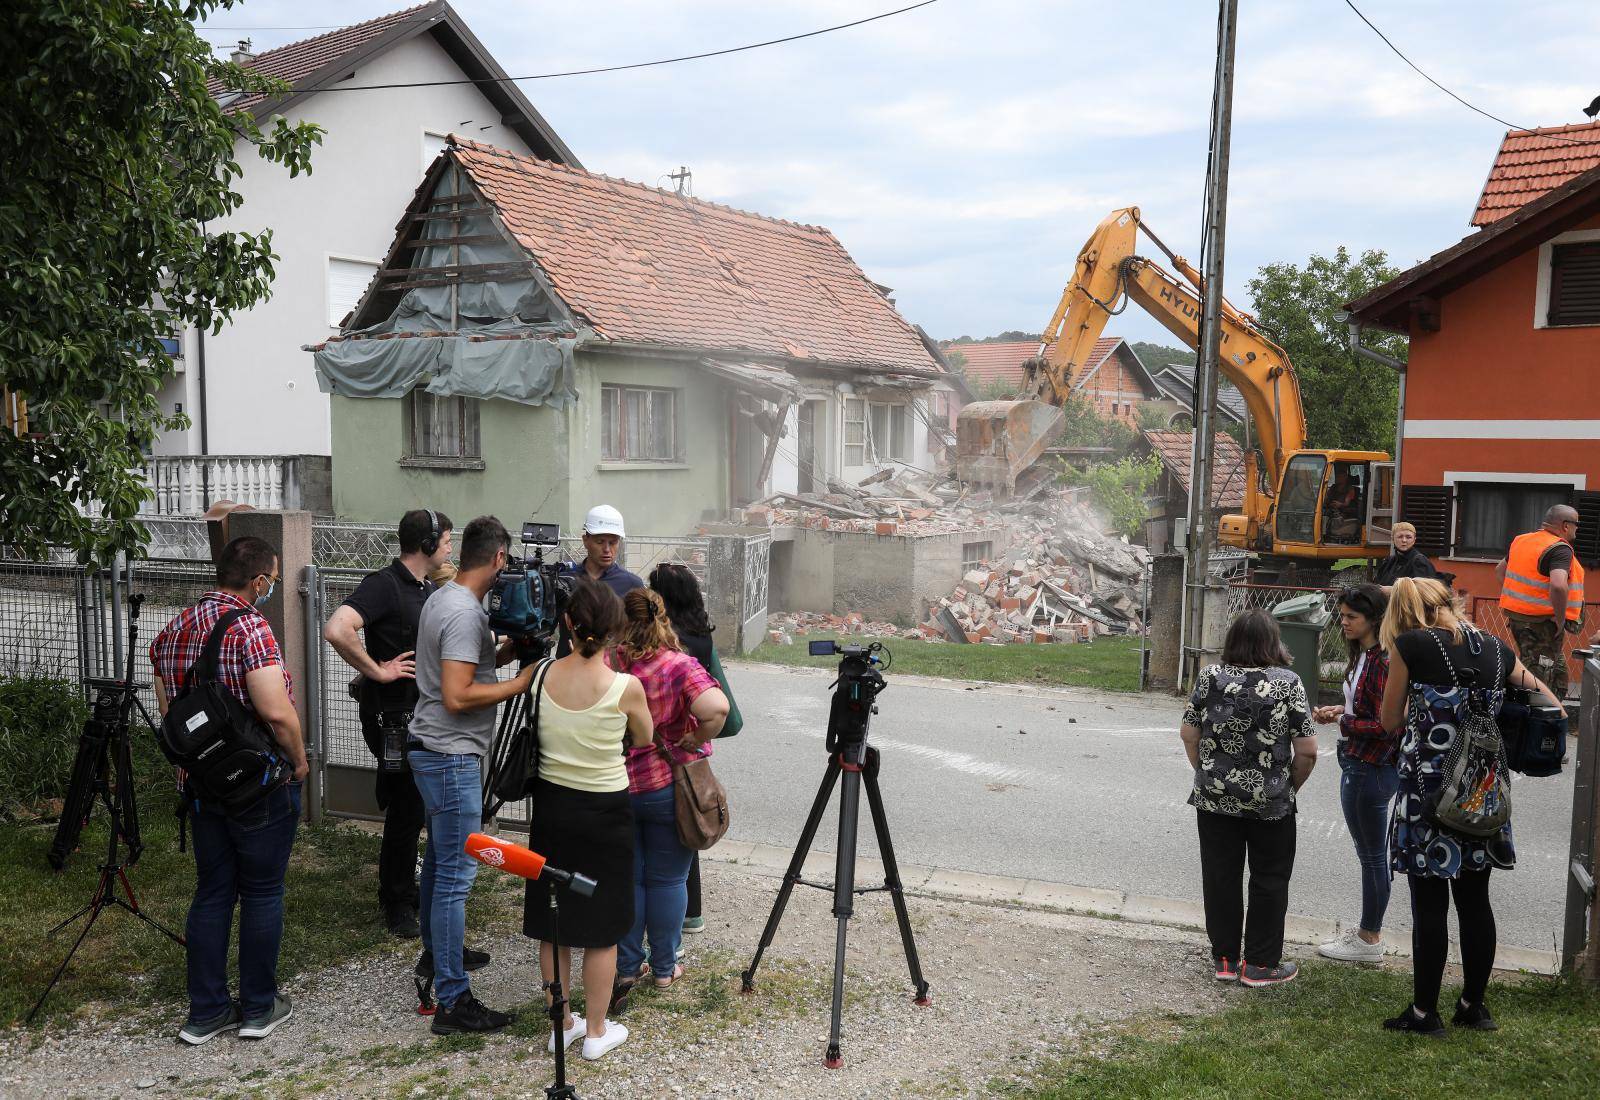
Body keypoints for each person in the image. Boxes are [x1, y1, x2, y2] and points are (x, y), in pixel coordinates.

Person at [1378, 577, 1563, 1035]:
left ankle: (1424, 1014)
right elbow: (1552, 705)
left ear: (1404, 610)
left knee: (1429, 903)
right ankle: (1473, 1006)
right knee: (1475, 900)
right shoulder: (1498, 649)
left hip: (1429, 790)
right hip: (1483, 788)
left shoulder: (1412, 645)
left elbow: (1389, 720)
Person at [150, 536, 310, 1045]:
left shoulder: (174, 628)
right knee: (262, 891)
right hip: (257, 784)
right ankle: (260, 1007)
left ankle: (206, 1011)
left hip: (202, 786)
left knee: (213, 892)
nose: (272, 588)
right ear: (259, 580)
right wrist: (300, 762)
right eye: (273, 580)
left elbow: (170, 716)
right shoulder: (250, 628)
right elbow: (276, 711)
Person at [408, 515, 538, 1034]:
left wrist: (506, 654)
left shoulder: (447, 600)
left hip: (434, 750)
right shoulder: (464, 614)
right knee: (456, 880)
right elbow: (459, 695)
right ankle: (453, 1000)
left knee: (440, 866)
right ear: (500, 558)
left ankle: (438, 959)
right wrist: (521, 682)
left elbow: (459, 669)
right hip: (451, 755)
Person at [523, 580, 654, 1062]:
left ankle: (562, 1024)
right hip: (605, 811)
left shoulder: (540, 675)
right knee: (602, 926)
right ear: (617, 632)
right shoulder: (625, 686)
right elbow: (644, 735)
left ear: (566, 623)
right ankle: (597, 1030)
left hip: (553, 808)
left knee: (552, 921)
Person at [323, 509, 453, 938]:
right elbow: (338, 628)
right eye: (447, 540)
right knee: (406, 806)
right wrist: (378, 671)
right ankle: (396, 899)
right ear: (428, 543)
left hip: (421, 716)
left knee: (416, 806)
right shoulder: (384, 585)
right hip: (394, 719)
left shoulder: (424, 587)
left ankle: (405, 887)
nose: (450, 547)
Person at [1179, 609, 1319, 988]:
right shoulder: (1288, 683)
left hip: (1214, 797)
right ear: (1273, 643)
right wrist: (1290, 786)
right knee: (1269, 879)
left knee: (1220, 874)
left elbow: (1188, 733)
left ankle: (1224, 958)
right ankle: (1259, 963)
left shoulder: (1210, 676)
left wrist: (1205, 770)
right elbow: (1307, 750)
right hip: (1271, 801)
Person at [611, 589, 729, 1006]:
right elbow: (717, 708)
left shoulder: (609, 663)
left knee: (628, 879)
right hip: (667, 788)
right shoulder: (678, 665)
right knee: (667, 880)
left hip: (617, 786)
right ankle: (664, 969)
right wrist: (694, 737)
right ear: (662, 618)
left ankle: (627, 965)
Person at [1311, 584, 1396, 963]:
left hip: (1371, 767)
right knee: (1371, 855)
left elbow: (1386, 725)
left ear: (1373, 619)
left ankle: (1368, 939)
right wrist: (1340, 711)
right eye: (1342, 615)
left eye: (1351, 617)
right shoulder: (1364, 655)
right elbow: (1363, 710)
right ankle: (1367, 935)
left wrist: (1345, 721)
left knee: (1374, 857)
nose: (1343, 622)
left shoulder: (1383, 661)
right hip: (1359, 762)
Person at [648, 563, 723, 938]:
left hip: (665, 747)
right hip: (694, 746)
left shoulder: (667, 642)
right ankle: (692, 912)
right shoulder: (701, 634)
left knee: (665, 835)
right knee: (688, 824)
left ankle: (669, 922)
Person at [1496, 504, 1586, 700]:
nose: (1577, 528)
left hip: (1519, 619)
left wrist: (1520, 600)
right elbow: (1558, 585)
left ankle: (1553, 710)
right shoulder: (1560, 548)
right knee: (1538, 675)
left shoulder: (1522, 541)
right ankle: (1531, 719)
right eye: (1576, 524)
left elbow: (1499, 571)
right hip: (1543, 623)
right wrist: (1560, 618)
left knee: (1554, 668)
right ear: (1565, 525)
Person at [556, 505, 644, 658]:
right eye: (600, 541)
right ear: (585, 540)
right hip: (567, 668)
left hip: (612, 672)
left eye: (613, 542)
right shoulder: (565, 580)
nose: (607, 549)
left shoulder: (632, 584)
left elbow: (641, 633)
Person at [1373, 521, 1437, 588]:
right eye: (1400, 537)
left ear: (1414, 539)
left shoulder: (1420, 562)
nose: (1404, 540)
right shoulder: (1389, 562)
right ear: (1392, 539)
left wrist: (1390, 591)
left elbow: (1424, 591)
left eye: (1408, 537)